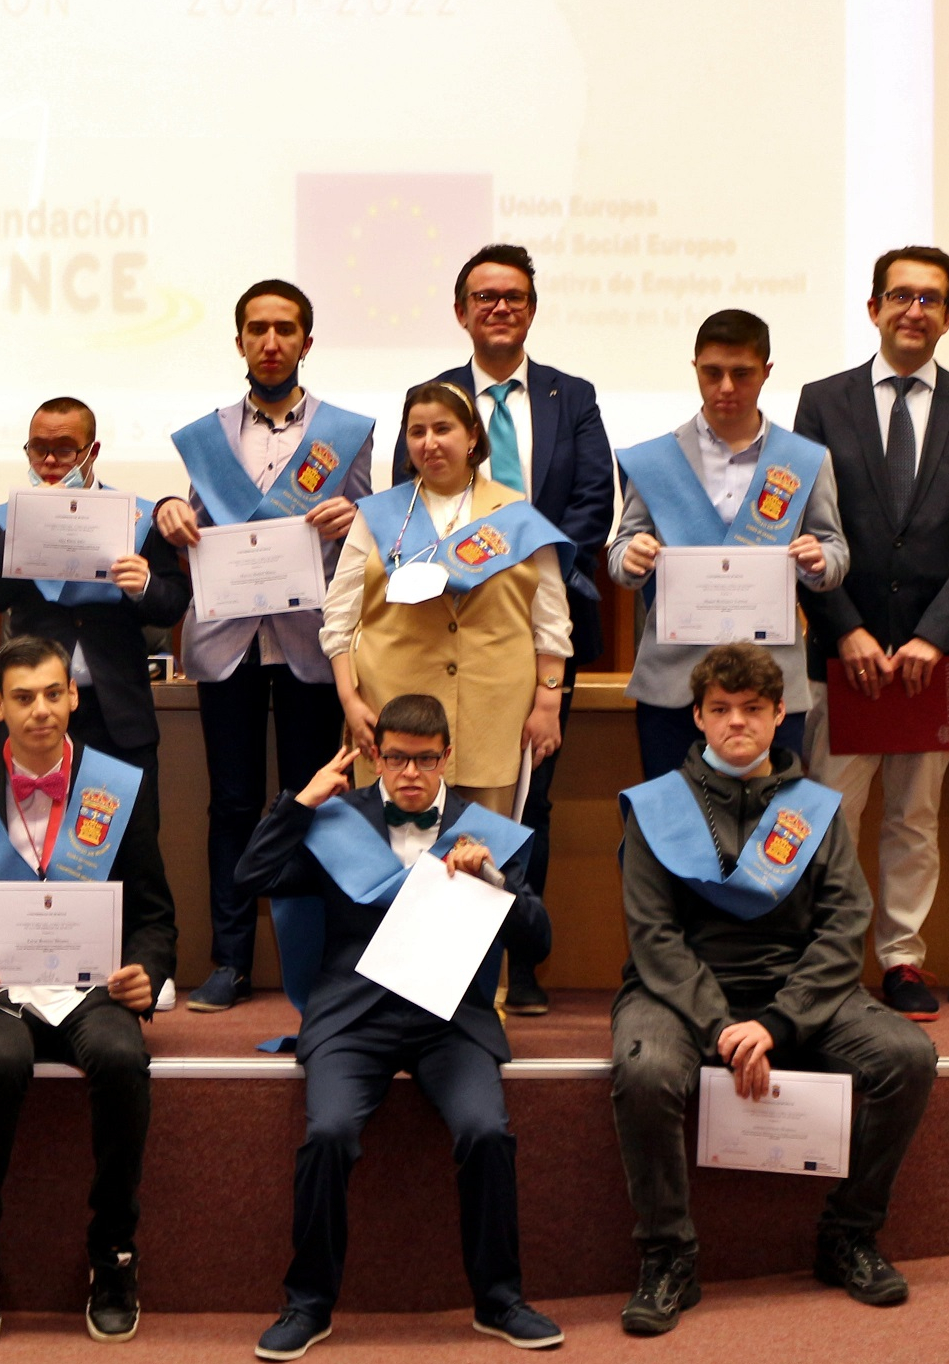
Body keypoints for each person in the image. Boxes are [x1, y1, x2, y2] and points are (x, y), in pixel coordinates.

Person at [610, 644, 938, 1335]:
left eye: (753, 710)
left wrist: (779, 1023)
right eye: (721, 710)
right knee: (645, 1073)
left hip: (795, 988)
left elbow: (846, 922)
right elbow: (654, 937)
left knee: (907, 1058)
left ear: (780, 714)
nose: (738, 723)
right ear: (697, 716)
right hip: (679, 992)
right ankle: (668, 1256)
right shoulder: (655, 807)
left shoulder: (815, 810)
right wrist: (721, 1024)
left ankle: (848, 1235)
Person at [234, 694, 562, 1362]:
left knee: (485, 1131)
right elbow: (252, 877)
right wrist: (299, 804)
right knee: (328, 1133)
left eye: (425, 758)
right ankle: (307, 1303)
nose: (410, 771)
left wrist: (495, 881)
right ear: (374, 756)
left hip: (450, 1018)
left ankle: (499, 1299)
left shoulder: (483, 834)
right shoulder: (336, 822)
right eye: (395, 758)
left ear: (448, 757)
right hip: (354, 1014)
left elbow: (540, 942)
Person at [0, 636, 178, 1346]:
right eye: (24, 697)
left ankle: (114, 1254)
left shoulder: (119, 788)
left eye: (53, 693)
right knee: (0, 1061)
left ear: (74, 696)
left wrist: (145, 974)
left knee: (123, 1058)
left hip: (92, 986)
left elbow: (156, 915)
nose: (42, 710)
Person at [391, 245, 613, 1016]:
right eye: (484, 297)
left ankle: (518, 965)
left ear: (531, 308)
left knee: (527, 801)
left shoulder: (571, 395)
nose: (499, 308)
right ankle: (431, 966)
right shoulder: (431, 402)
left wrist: (520, 552)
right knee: (434, 797)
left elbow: (592, 504)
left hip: (531, 634)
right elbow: (404, 511)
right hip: (434, 638)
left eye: (514, 296)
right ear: (461, 312)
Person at [791, 247, 949, 1020]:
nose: (915, 309)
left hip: (931, 662)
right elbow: (807, 529)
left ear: (948, 315)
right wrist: (845, 628)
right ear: (874, 308)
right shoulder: (822, 402)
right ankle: (832, 955)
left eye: (931, 298)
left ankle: (903, 959)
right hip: (842, 656)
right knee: (831, 813)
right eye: (901, 295)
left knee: (913, 819)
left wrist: (933, 636)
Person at [152, 279, 373, 1014]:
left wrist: (360, 514)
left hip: (315, 643)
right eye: (257, 329)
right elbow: (190, 511)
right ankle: (231, 961)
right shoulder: (211, 432)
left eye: (285, 329)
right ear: (240, 340)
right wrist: (169, 508)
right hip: (228, 643)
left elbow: (381, 532)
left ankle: (323, 962)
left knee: (320, 804)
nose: (271, 341)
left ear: (307, 342)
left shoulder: (348, 432)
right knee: (233, 806)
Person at [610, 309, 848, 779]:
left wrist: (821, 560)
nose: (725, 387)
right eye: (711, 373)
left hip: (770, 681)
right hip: (673, 682)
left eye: (742, 374)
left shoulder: (804, 459)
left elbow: (835, 550)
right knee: (672, 826)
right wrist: (630, 557)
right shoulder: (655, 459)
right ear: (695, 367)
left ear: (766, 372)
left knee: (770, 831)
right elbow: (619, 553)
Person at [325, 382, 575, 816]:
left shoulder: (515, 514)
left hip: (493, 716)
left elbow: (550, 619)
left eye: (444, 429)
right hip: (392, 715)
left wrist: (548, 700)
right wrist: (350, 700)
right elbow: (340, 618)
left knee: (482, 855)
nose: (430, 442)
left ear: (473, 436)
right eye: (417, 431)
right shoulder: (378, 515)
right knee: (392, 853)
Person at [0, 396, 192, 786]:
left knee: (130, 842)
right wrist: (26, 520)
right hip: (36, 713)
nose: (50, 461)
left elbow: (172, 605)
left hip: (119, 715)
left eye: (65, 450)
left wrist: (145, 587)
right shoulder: (5, 520)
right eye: (39, 449)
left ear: (92, 452)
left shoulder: (139, 518)